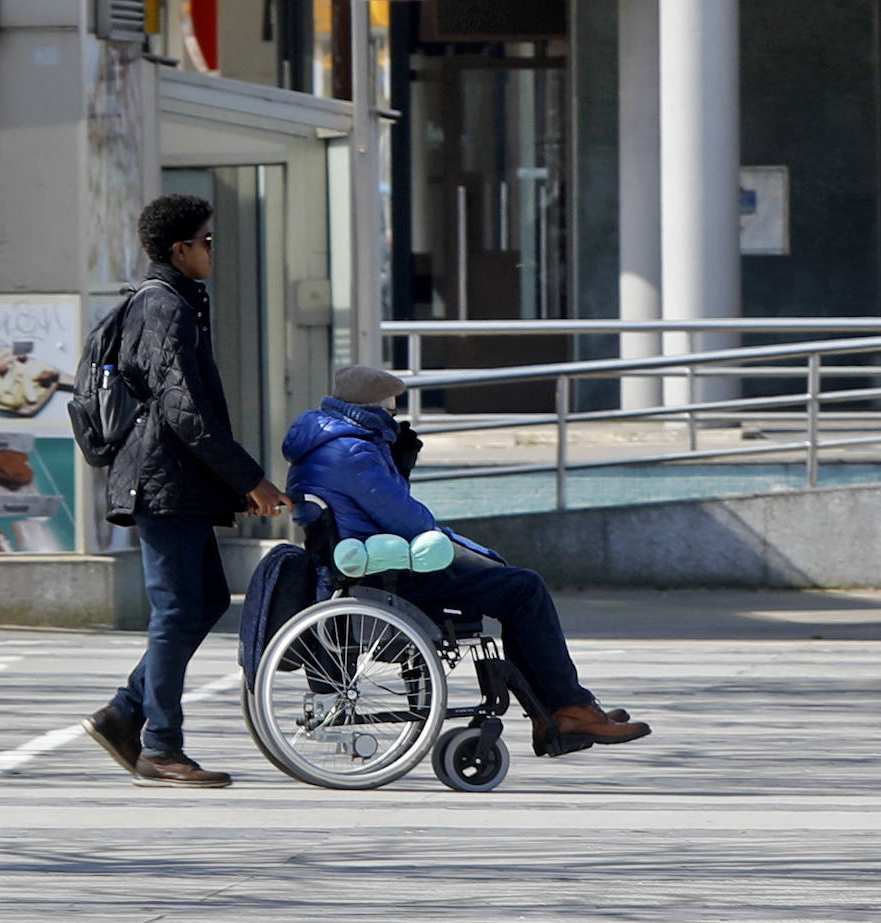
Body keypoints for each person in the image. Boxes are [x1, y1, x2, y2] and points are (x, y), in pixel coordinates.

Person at [282, 365, 651, 755]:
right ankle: (568, 709)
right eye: (391, 407)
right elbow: (411, 521)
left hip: (371, 566)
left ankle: (558, 712)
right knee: (525, 589)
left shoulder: (323, 442)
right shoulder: (353, 450)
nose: (394, 414)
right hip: (393, 574)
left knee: (516, 590)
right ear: (376, 407)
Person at [82, 194, 292, 787]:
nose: (212, 250)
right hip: (163, 482)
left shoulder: (175, 302)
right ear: (181, 250)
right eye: (208, 240)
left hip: (176, 481)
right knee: (177, 608)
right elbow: (183, 410)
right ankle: (159, 745)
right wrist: (250, 479)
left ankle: (126, 712)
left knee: (202, 602)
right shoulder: (163, 307)